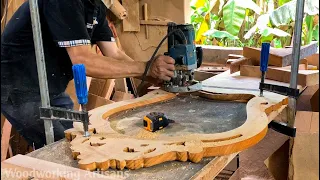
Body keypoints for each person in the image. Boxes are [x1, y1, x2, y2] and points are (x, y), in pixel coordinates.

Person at [1, 0, 175, 149]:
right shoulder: (64, 2)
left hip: (51, 88)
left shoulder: (94, 6)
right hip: (18, 89)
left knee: (78, 138)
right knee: (63, 149)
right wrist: (146, 68)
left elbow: (114, 53)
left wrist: (152, 75)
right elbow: (83, 61)